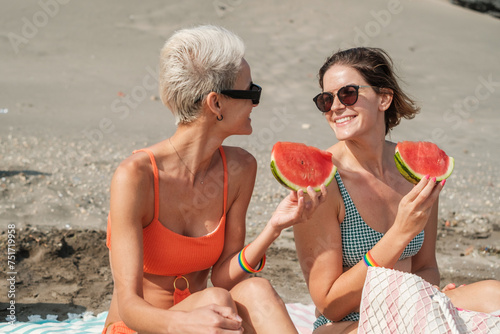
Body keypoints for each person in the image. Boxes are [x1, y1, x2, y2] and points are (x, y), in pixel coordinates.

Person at [102, 25, 327, 334]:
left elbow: (223, 276)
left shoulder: (241, 168)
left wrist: (275, 227)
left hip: (208, 319)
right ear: (216, 104)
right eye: (251, 92)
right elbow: (128, 306)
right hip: (141, 326)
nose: (256, 103)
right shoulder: (135, 177)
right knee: (218, 300)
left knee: (255, 290)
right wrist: (181, 322)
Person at [293, 47, 500, 334]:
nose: (336, 107)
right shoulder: (324, 183)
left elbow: (426, 266)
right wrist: (400, 233)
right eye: (326, 100)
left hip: (410, 304)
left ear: (384, 98)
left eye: (348, 94)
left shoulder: (416, 171)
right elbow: (330, 303)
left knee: (494, 293)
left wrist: (427, 299)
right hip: (348, 323)